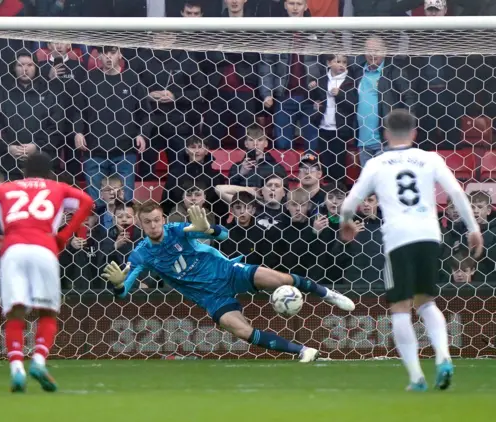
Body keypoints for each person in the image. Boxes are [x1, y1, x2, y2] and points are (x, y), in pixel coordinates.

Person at [103, 202, 355, 363]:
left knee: (279, 278)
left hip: (227, 271)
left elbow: (224, 234)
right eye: (147, 222)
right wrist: (117, 284)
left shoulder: (179, 229)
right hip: (210, 297)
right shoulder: (140, 254)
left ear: (163, 219)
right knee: (241, 330)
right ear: (140, 223)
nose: (153, 225)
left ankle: (327, 294)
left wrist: (208, 229)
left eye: (157, 219)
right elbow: (123, 293)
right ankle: (302, 351)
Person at [339, 109, 483, 392]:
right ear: (415, 133)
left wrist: (345, 223)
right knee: (427, 301)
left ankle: (417, 378)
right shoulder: (430, 158)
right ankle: (443, 357)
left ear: (385, 134)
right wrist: (473, 227)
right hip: (430, 235)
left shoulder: (377, 163)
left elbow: (348, 204)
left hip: (399, 237)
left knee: (401, 308)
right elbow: (455, 192)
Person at [0, 152, 94, 393]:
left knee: (15, 312)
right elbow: (87, 202)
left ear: (24, 172)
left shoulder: (7, 188)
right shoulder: (56, 187)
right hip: (43, 247)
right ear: (49, 173)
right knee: (47, 313)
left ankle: (17, 369)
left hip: (12, 250)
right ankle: (38, 361)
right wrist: (64, 237)